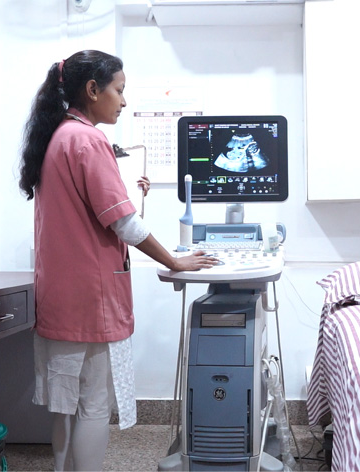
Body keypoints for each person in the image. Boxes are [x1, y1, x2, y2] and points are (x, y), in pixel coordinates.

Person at [18, 50, 216, 471]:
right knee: (93, 403)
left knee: (64, 403)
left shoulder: (57, 136)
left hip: (59, 292)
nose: (123, 102)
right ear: (93, 90)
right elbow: (123, 222)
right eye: (119, 90)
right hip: (89, 296)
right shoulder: (88, 140)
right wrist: (175, 261)